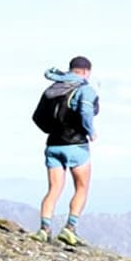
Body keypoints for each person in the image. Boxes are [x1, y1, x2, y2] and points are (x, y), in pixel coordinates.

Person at [33, 57, 99, 244]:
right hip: (76, 145)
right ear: (86, 71)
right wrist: (90, 131)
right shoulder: (85, 89)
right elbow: (86, 112)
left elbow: (37, 117)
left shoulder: (51, 90)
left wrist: (51, 130)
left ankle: (44, 229)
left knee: (54, 189)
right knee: (82, 187)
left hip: (53, 145)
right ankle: (70, 228)